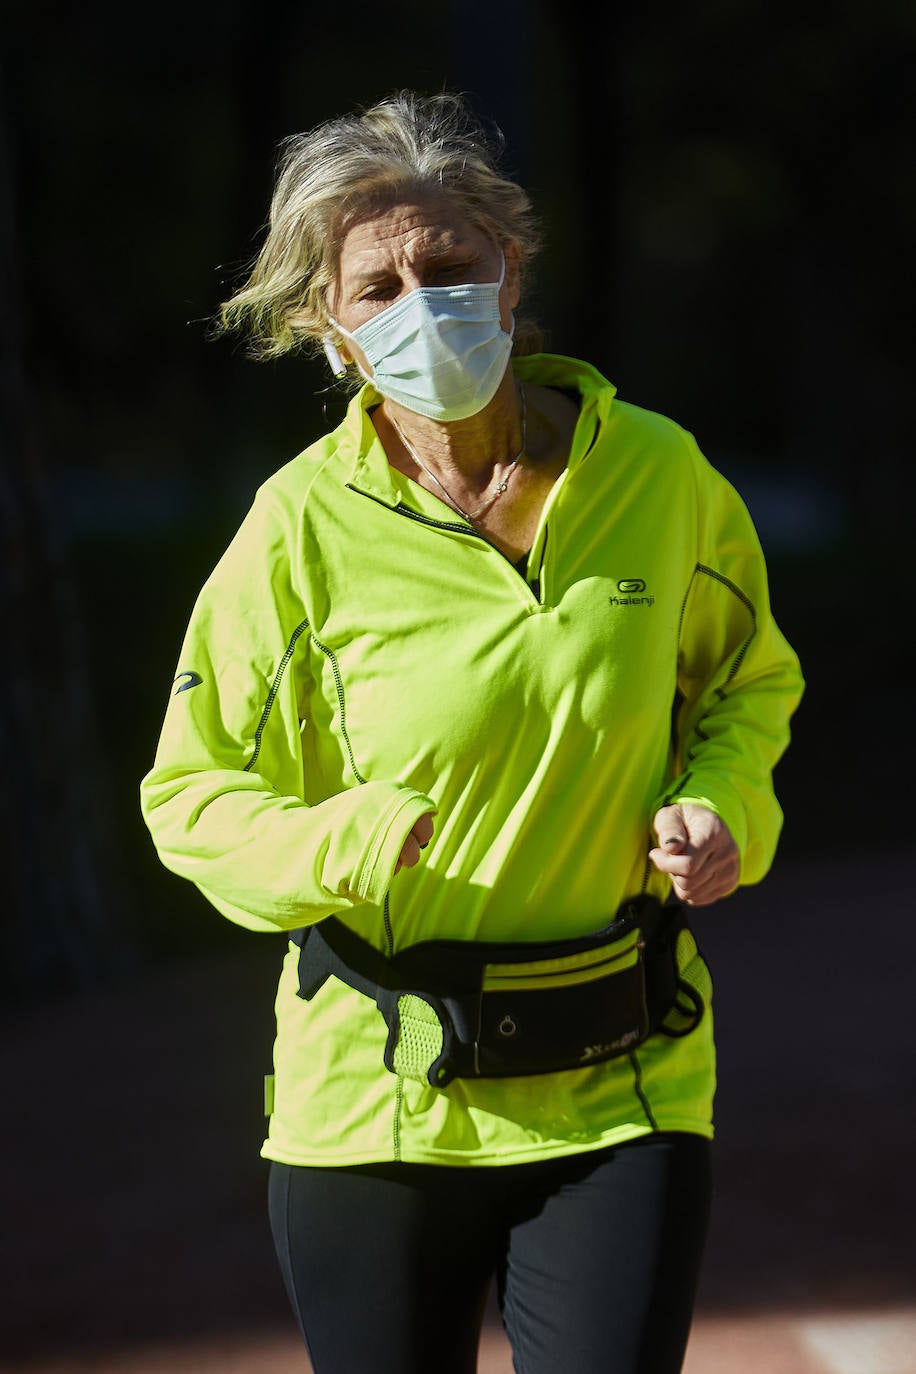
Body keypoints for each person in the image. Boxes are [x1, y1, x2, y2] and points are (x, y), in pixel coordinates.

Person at [140, 90, 804, 1374]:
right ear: (327, 333)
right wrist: (341, 839)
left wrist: (728, 806)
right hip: (378, 1100)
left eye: (450, 267)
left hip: (627, 1075)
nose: (421, 303)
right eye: (376, 287)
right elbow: (192, 793)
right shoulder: (296, 532)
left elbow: (746, 684)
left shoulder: (657, 476)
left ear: (512, 278)